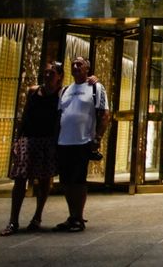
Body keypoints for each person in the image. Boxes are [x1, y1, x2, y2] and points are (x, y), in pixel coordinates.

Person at [0, 61, 64, 236]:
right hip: (29, 138)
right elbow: (25, 115)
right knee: (20, 178)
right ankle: (13, 220)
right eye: (46, 72)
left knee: (44, 180)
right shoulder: (33, 91)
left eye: (52, 72)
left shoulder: (61, 94)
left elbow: (59, 120)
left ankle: (37, 216)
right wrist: (17, 138)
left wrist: (57, 142)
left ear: (59, 76)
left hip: (47, 140)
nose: (48, 75)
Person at [53, 57, 110, 232]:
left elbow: (105, 114)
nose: (76, 67)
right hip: (64, 141)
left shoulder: (95, 88)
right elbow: (59, 114)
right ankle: (72, 215)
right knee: (66, 180)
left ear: (87, 68)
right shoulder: (65, 90)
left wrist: (97, 137)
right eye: (73, 65)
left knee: (78, 180)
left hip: (82, 141)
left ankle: (78, 216)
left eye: (80, 65)